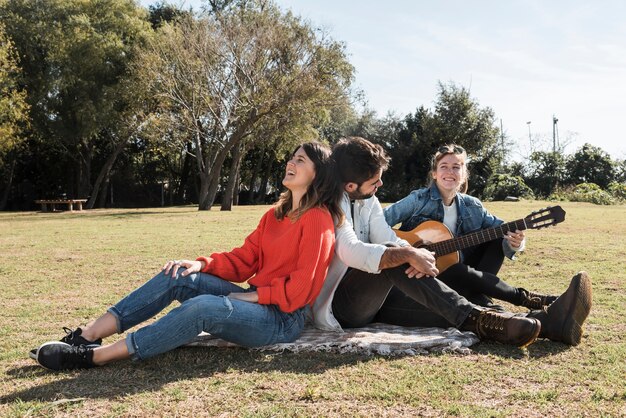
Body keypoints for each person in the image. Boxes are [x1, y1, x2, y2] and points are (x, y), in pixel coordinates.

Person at [33, 142, 344, 371]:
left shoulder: (318, 218)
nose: (291, 162)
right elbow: (246, 259)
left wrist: (250, 299)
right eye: (291, 157)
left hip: (280, 319)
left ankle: (94, 357)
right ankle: (86, 336)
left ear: (318, 174)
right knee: (178, 274)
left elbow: (302, 289)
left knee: (203, 308)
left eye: (300, 160)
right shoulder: (274, 215)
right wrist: (201, 264)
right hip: (255, 299)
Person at [311, 136, 592, 347]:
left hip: (383, 300)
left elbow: (387, 235)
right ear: (350, 186)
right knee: (395, 254)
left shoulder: (368, 200)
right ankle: (492, 315)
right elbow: (350, 251)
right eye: (375, 181)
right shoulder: (331, 203)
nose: (380, 186)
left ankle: (549, 324)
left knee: (447, 307)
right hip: (343, 305)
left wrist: (411, 254)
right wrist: (407, 254)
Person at [382, 144, 556, 311]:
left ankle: (479, 298)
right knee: (457, 269)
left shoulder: (473, 206)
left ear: (464, 175)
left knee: (498, 235)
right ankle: (525, 299)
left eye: (456, 167)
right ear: (434, 173)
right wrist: (406, 253)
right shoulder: (418, 200)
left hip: (462, 274)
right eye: (444, 166)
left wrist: (517, 243)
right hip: (421, 275)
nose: (450, 172)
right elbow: (378, 222)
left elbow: (504, 231)